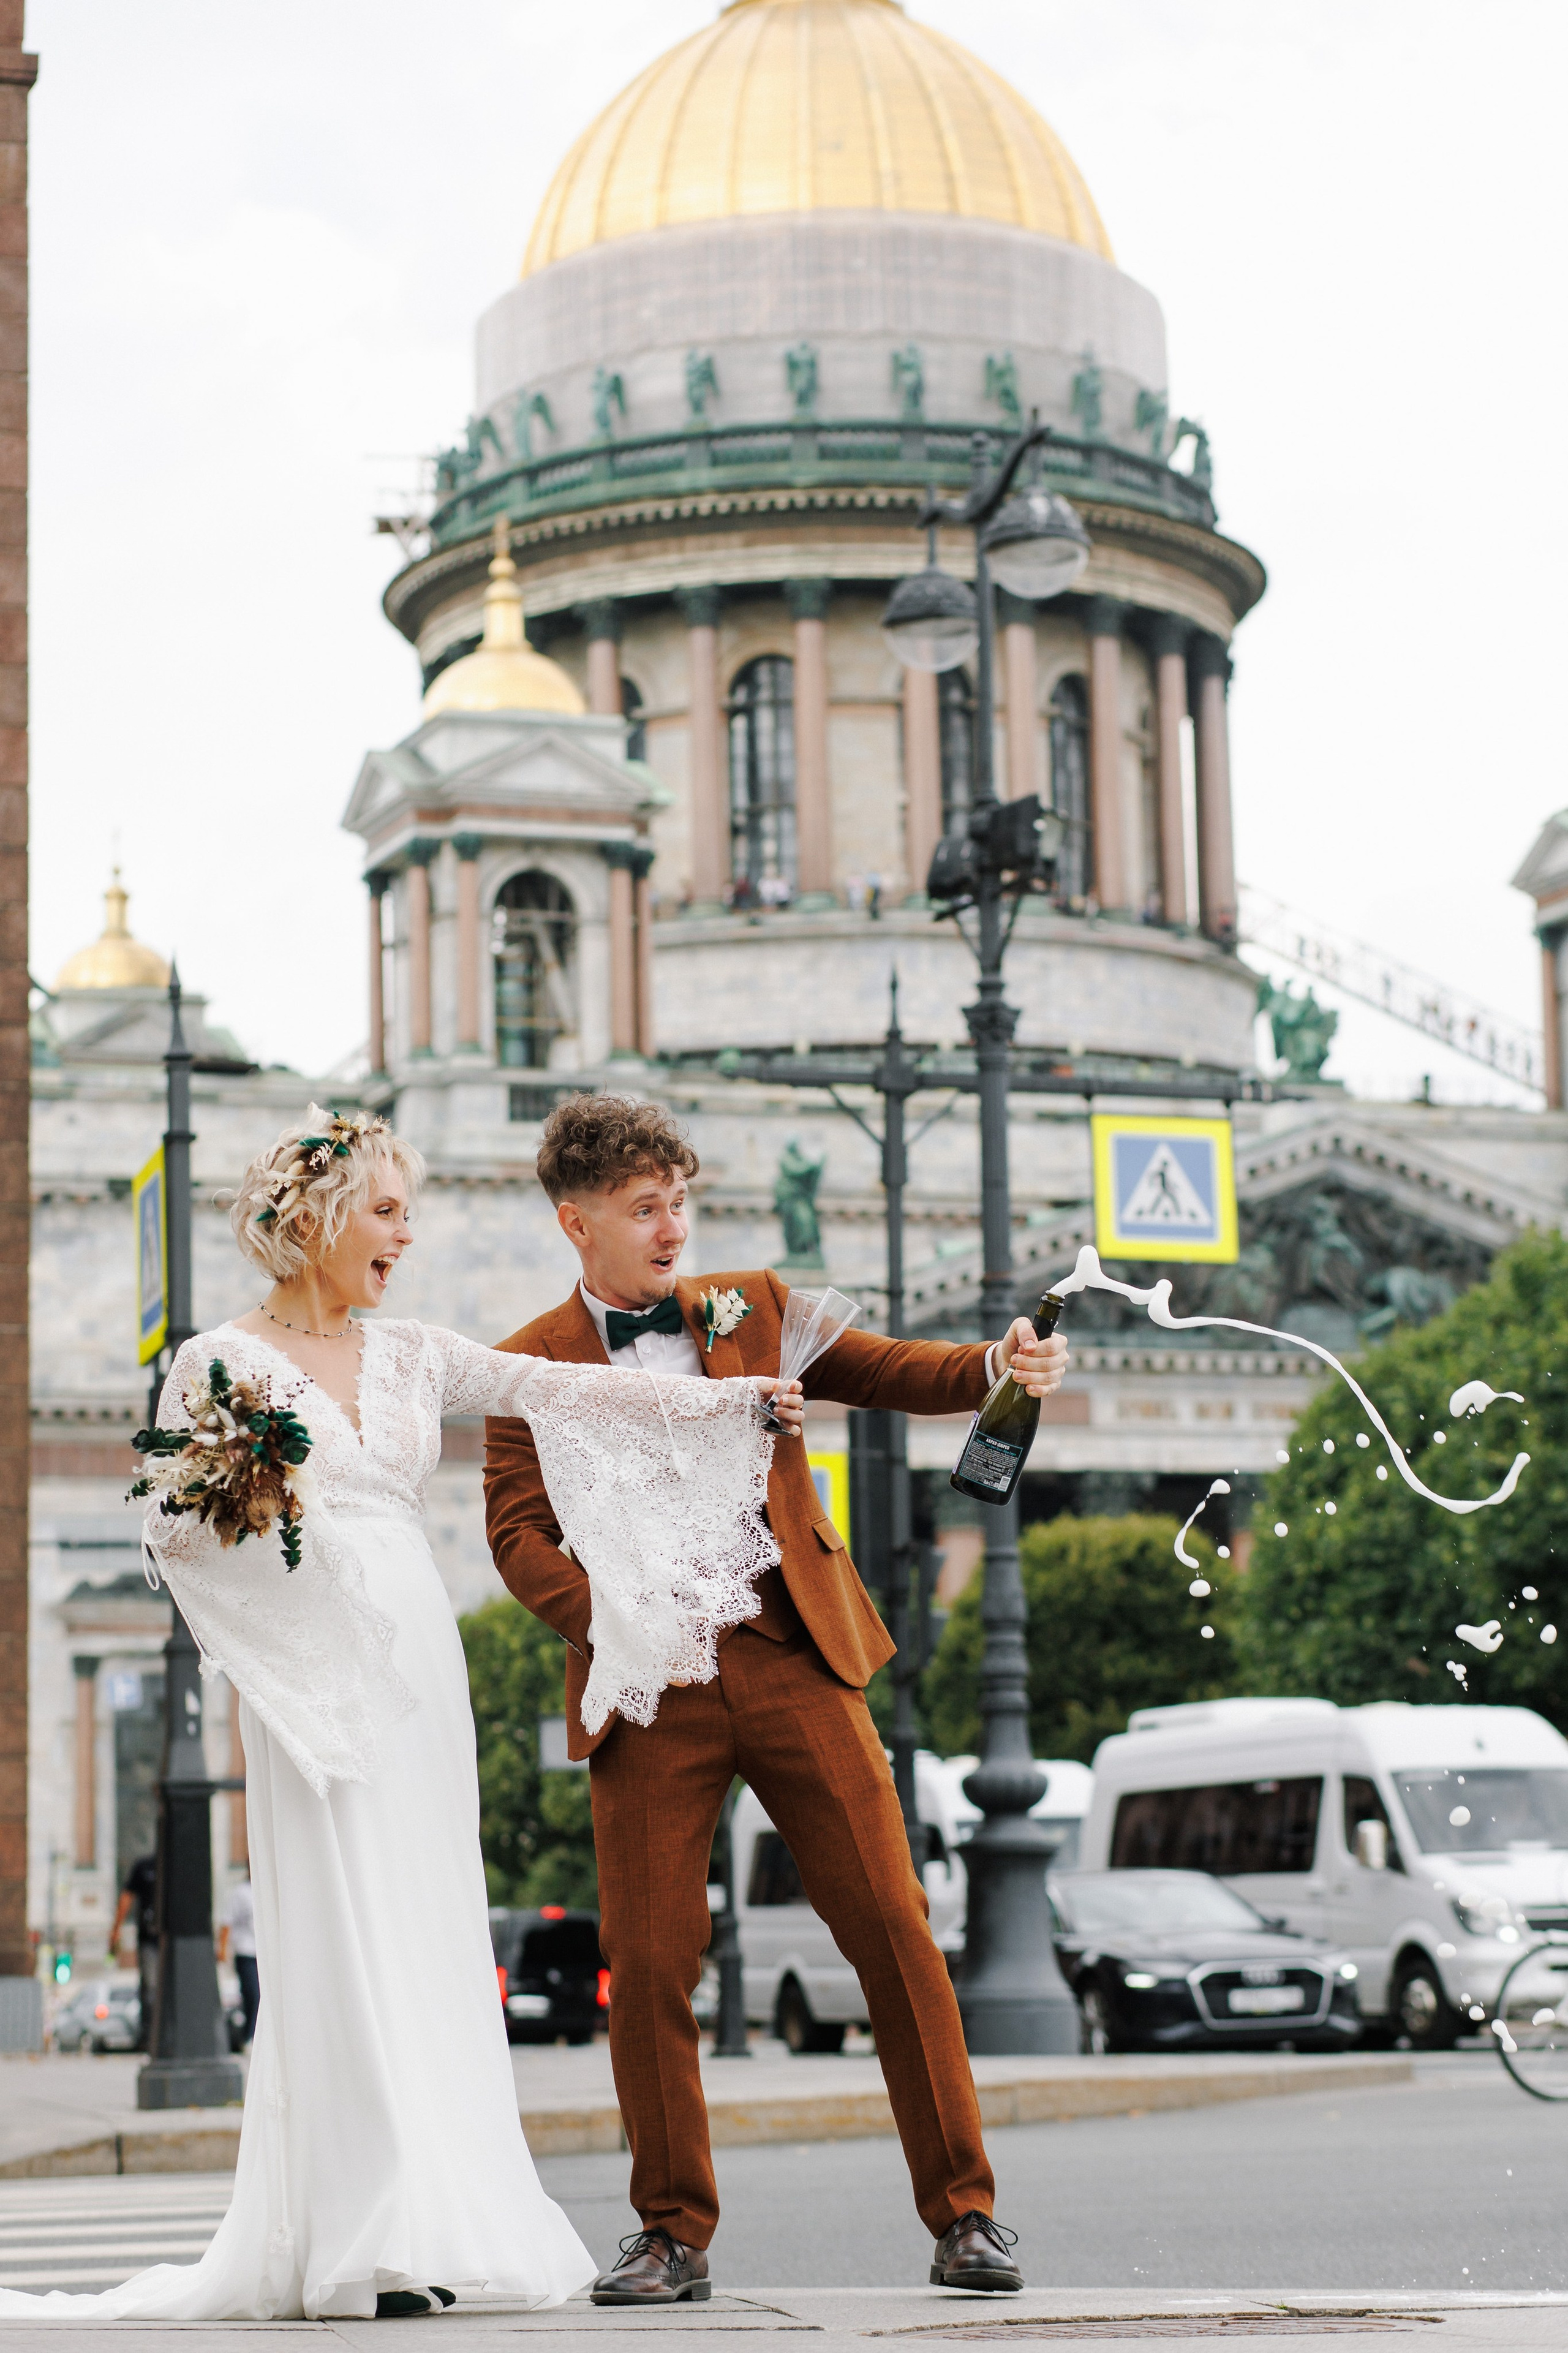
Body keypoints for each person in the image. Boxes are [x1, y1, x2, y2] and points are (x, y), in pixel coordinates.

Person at [0, 1105, 802, 2324]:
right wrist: (279, 1540)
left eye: (409, 1212)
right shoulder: (217, 1361)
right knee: (340, 1930)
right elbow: (175, 1530)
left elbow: (559, 1387)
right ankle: (354, 2230)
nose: (406, 1235)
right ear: (315, 1219)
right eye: (385, 1211)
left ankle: (424, 2222)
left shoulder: (415, 1353)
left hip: (421, 1666)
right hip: (314, 1680)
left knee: (425, 1928)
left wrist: (730, 1405)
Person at [483, 1097, 1070, 2306]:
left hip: (795, 1653)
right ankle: (670, 2233)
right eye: (644, 1208)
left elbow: (886, 1370)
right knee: (651, 1960)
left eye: (679, 1203)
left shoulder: (746, 1304)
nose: (672, 1228)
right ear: (576, 1222)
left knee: (894, 1925)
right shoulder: (526, 1363)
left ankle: (966, 2215)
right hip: (650, 1685)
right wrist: (608, 1618)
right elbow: (518, 1536)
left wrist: (994, 1364)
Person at [108, 1851, 157, 2051]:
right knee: (150, 1988)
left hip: (174, 1939)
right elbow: (127, 1896)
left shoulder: (177, 1866)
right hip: (149, 1939)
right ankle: (149, 2036)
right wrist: (116, 1930)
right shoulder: (145, 1867)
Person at [219, 1867, 259, 2047]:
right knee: (253, 1994)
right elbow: (227, 1922)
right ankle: (248, 2037)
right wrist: (223, 1948)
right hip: (246, 1951)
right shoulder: (241, 1893)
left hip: (262, 1955)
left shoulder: (266, 1891)